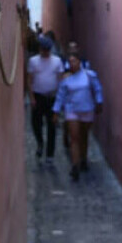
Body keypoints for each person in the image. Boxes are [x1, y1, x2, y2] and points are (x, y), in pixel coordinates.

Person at [52, 52, 104, 180]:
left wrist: (99, 101)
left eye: (74, 61)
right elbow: (60, 96)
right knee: (74, 137)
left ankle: (83, 158)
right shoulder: (66, 79)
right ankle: (75, 165)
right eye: (70, 62)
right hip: (72, 110)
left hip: (87, 109)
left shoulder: (89, 75)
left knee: (84, 136)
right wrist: (56, 111)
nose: (72, 64)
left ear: (79, 62)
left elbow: (97, 89)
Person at [26, 38, 64, 160]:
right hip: (38, 96)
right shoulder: (33, 61)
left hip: (52, 97)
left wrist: (60, 99)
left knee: (52, 125)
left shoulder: (57, 61)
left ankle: (50, 153)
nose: (45, 52)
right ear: (40, 49)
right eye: (43, 49)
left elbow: (60, 80)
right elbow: (29, 80)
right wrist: (31, 97)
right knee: (36, 123)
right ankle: (40, 143)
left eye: (47, 50)